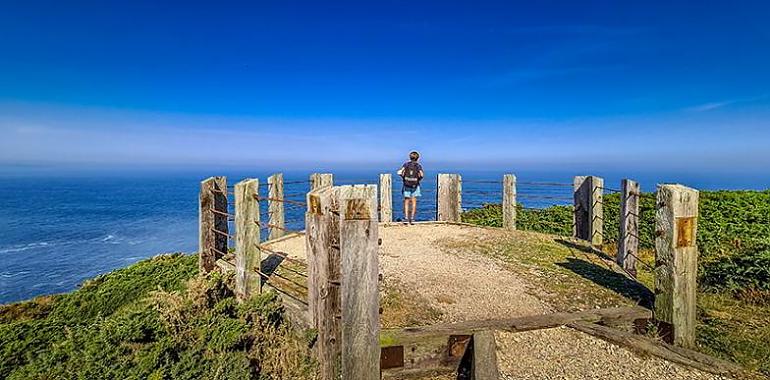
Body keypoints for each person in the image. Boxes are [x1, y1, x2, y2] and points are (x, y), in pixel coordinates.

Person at [397, 151, 424, 224]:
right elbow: (421, 175)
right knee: (414, 202)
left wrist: (403, 177)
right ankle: (412, 219)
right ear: (418, 158)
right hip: (415, 185)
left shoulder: (406, 164)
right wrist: (418, 180)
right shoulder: (418, 166)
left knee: (406, 202)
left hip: (406, 184)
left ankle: (406, 218)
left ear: (410, 157)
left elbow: (400, 172)